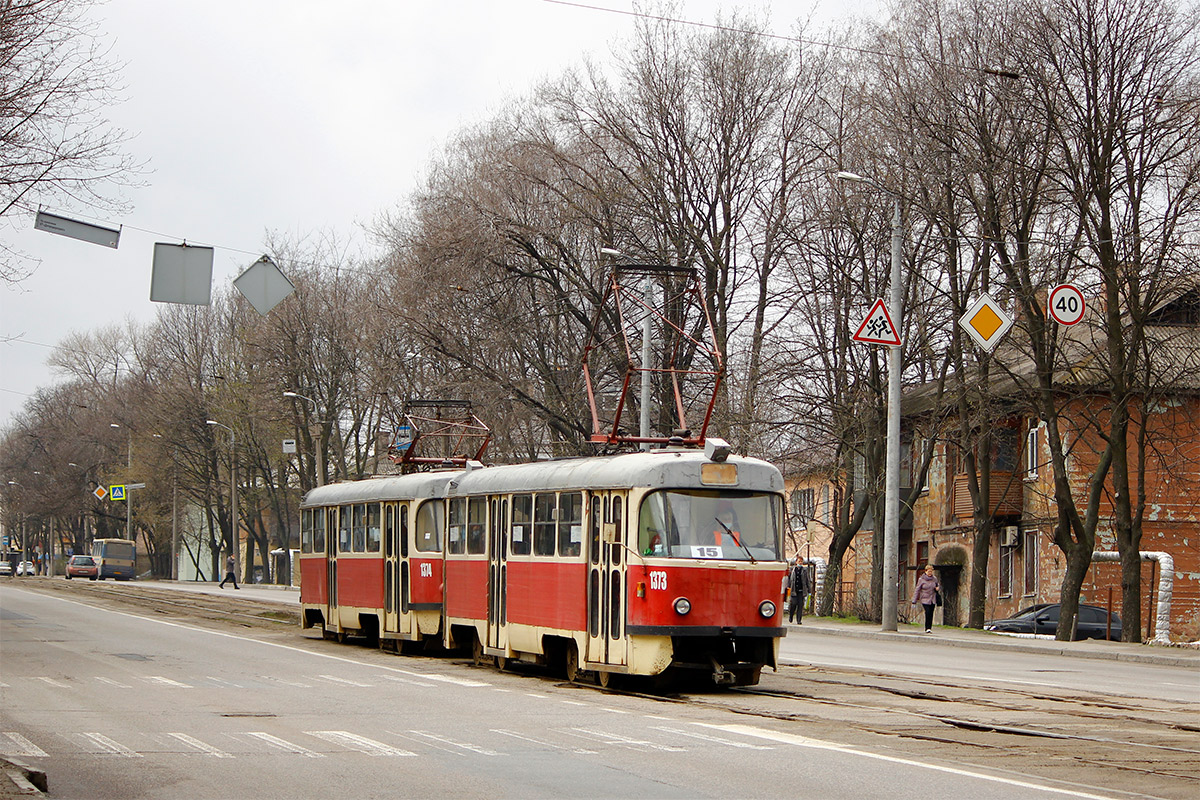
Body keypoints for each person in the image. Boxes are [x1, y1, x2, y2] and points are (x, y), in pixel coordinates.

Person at [911, 565, 941, 632]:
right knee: (927, 612)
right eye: (929, 571)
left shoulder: (934, 579)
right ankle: (927, 627)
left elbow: (937, 585)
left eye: (931, 571)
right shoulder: (921, 579)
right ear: (925, 571)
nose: (930, 573)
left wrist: (937, 588)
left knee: (931, 613)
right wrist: (914, 600)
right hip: (925, 598)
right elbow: (917, 590)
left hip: (932, 598)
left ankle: (929, 628)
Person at [787, 556, 811, 624]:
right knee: (793, 604)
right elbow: (789, 580)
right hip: (794, 590)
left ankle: (799, 620)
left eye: (801, 561)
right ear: (796, 562)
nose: (800, 563)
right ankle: (791, 615)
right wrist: (788, 587)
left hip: (801, 590)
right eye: (799, 561)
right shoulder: (792, 570)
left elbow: (807, 580)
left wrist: (809, 590)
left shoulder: (804, 570)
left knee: (800, 605)